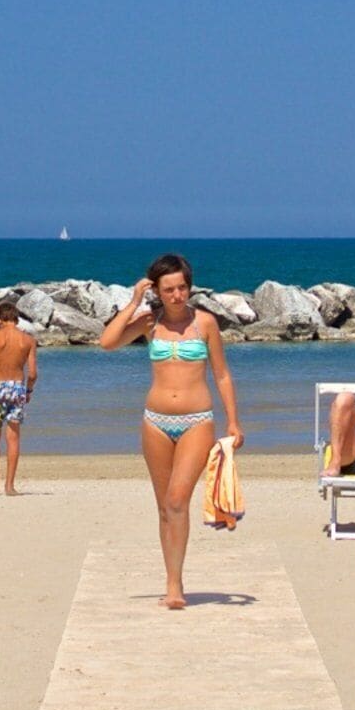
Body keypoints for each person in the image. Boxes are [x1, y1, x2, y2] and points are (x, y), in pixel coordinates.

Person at [99, 254, 241, 609]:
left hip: (197, 421)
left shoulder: (205, 323)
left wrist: (234, 421)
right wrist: (133, 302)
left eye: (182, 288)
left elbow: (221, 374)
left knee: (178, 500)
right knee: (164, 507)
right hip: (155, 422)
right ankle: (172, 582)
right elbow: (108, 342)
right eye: (169, 289)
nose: (178, 295)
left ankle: (176, 587)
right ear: (157, 291)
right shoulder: (149, 323)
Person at [0, 298, 39, 496]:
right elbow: (32, 374)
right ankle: (10, 486)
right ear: (17, 319)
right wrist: (28, 391)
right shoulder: (28, 340)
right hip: (17, 390)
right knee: (13, 438)